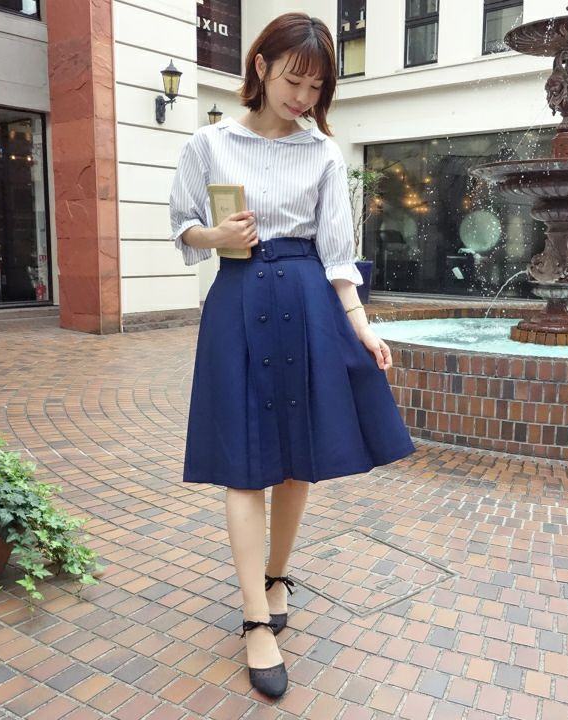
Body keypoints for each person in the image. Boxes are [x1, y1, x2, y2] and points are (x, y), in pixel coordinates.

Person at [170, 12, 415, 698]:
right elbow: (182, 227)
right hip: (238, 302)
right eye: (293, 80)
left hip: (307, 302)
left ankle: (278, 577)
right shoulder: (209, 143)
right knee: (244, 465)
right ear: (260, 66)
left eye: (316, 87)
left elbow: (337, 254)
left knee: (297, 457)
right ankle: (255, 618)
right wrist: (216, 236)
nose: (303, 97)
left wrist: (362, 327)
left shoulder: (323, 152)